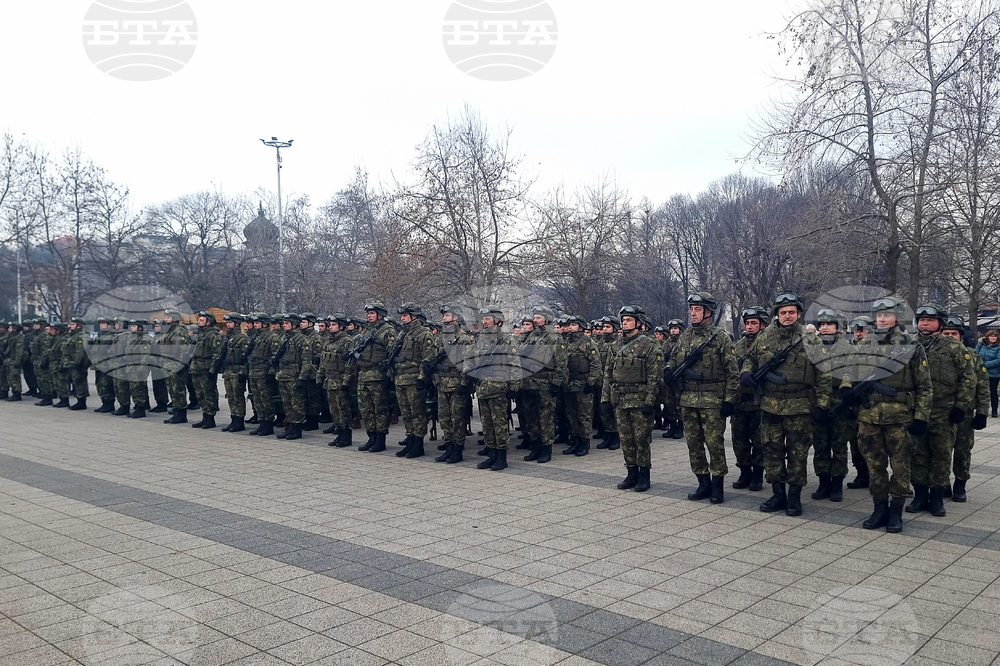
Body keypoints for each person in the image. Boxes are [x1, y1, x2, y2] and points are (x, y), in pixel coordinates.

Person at [841, 297, 931, 533]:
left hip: (900, 418)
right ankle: (879, 508)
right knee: (875, 466)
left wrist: (921, 416)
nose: (881, 319)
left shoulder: (911, 344)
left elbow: (924, 385)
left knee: (901, 467)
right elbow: (850, 370)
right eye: (878, 315)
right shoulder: (864, 343)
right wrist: (847, 387)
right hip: (869, 416)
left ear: (897, 318)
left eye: (887, 315)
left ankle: (896, 511)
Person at [742, 293, 831, 516]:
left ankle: (794, 497)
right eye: (783, 312)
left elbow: (824, 373)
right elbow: (749, 360)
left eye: (791, 312)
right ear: (777, 315)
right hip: (770, 405)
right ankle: (777, 493)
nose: (787, 316)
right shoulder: (764, 337)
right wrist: (746, 374)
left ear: (799, 314)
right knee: (771, 451)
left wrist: (822, 404)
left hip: (799, 405)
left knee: (797, 453)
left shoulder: (810, 339)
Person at [665, 293, 738, 504]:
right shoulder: (684, 336)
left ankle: (717, 486)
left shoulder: (720, 338)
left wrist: (730, 400)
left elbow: (732, 372)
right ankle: (703, 482)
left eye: (698, 309)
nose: (693, 313)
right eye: (692, 309)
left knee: (714, 444)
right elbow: (672, 360)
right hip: (688, 400)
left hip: (712, 401)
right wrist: (668, 371)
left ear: (708, 312)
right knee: (693, 444)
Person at [906, 304, 975, 517]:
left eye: (930, 320)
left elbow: (968, 379)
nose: (925, 323)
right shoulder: (908, 345)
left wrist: (961, 406)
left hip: (943, 410)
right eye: (922, 319)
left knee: (941, 454)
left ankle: (936, 498)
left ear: (940, 323)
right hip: (916, 410)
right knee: (917, 454)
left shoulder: (954, 348)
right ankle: (919, 496)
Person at [602, 305, 663, 492]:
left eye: (628, 319)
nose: (624, 322)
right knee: (626, 439)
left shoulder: (650, 345)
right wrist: (605, 399)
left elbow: (655, 376)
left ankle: (644, 475)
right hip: (621, 399)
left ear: (638, 322)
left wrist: (650, 402)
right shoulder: (615, 345)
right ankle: (631, 473)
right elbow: (608, 374)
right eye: (623, 319)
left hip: (640, 400)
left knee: (641, 439)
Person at [465, 307, 520, 471]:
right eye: (483, 319)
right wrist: (469, 371)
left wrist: (515, 386)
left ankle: (502, 457)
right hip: (482, 387)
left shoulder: (507, 340)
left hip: (499, 387)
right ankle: (492, 454)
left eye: (487, 318)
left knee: (499, 423)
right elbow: (468, 357)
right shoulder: (479, 339)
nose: (484, 321)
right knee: (487, 424)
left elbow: (515, 364)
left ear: (497, 321)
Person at [943, 315, 988, 502]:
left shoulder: (972, 356)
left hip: (965, 413)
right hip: (941, 411)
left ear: (961, 336)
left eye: (954, 333)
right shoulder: (933, 355)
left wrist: (983, 412)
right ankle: (942, 483)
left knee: (962, 450)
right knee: (941, 451)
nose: (951, 336)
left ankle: (960, 485)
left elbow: (983, 385)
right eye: (946, 333)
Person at [515, 305, 568, 464]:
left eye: (538, 317)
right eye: (535, 317)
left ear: (547, 319)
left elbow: (561, 363)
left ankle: (546, 449)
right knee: (531, 418)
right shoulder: (531, 336)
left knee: (545, 418)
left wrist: (556, 383)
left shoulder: (554, 338)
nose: (535, 320)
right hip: (529, 382)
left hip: (545, 383)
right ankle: (535, 446)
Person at [812, 308, 853, 502]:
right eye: (822, 325)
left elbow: (851, 372)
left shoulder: (847, 347)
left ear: (837, 327)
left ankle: (837, 483)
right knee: (820, 444)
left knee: (838, 445)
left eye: (830, 324)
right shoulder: (813, 345)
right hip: (818, 402)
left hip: (839, 402)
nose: (826, 328)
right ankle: (823, 481)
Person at [428, 305, 474, 463]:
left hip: (456, 384)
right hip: (442, 383)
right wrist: (434, 376)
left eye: (446, 315)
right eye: (443, 316)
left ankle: (458, 449)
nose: (443, 318)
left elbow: (468, 363)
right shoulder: (439, 337)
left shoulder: (463, 338)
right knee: (444, 418)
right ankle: (448, 447)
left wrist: (464, 384)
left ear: (455, 317)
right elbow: (433, 358)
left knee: (457, 419)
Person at [390, 304, 436, 459]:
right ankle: (410, 440)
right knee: (406, 413)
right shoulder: (402, 333)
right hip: (400, 379)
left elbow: (427, 358)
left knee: (417, 413)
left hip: (414, 379)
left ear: (414, 316)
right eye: (401, 316)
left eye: (405, 315)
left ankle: (418, 444)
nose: (402, 318)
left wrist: (422, 378)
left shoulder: (424, 334)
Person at [353, 302, 397, 452]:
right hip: (364, 374)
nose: (369, 316)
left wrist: (388, 376)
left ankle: (380, 439)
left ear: (380, 314)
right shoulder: (366, 331)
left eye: (372, 313)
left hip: (378, 375)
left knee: (380, 409)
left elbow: (392, 354)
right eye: (368, 313)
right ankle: (371, 437)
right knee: (366, 408)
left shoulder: (388, 331)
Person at [732, 307, 767, 491]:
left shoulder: (767, 346)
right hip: (740, 401)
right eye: (748, 323)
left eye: (754, 323)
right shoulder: (737, 346)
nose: (750, 326)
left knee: (759, 440)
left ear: (763, 324)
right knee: (739, 439)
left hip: (760, 401)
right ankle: (744, 471)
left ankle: (757, 475)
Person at [561, 315, 603, 457]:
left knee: (584, 415)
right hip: (570, 383)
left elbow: (595, 364)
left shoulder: (588, 342)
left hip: (583, 383)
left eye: (573, 324)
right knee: (571, 414)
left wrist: (591, 382)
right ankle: (575, 441)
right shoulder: (566, 342)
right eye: (570, 325)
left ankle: (584, 443)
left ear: (580, 326)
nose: (571, 327)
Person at [318, 314, 356, 447]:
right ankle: (339, 433)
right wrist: (320, 376)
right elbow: (323, 362)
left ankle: (346, 436)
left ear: (341, 326)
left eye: (334, 325)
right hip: (330, 380)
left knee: (343, 410)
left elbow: (350, 364)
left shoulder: (347, 342)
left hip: (340, 381)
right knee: (334, 410)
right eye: (330, 325)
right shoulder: (328, 341)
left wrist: (346, 382)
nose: (331, 327)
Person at [273, 313, 312, 440]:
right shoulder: (285, 339)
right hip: (283, 375)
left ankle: (297, 428)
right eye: (283, 323)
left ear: (294, 325)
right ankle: (289, 426)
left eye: (286, 323)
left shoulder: (302, 340)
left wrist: (302, 378)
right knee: (287, 403)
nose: (284, 325)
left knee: (297, 404)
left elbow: (307, 362)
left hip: (294, 376)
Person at [189, 310, 223, 430]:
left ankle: (210, 418)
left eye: (202, 320)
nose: (199, 322)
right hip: (197, 368)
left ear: (209, 322)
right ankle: (204, 416)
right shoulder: (201, 334)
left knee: (209, 394)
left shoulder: (213, 335)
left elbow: (216, 354)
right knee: (200, 394)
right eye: (199, 320)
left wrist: (213, 370)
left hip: (206, 368)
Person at [161, 309, 194, 425]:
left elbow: (184, 351)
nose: (166, 319)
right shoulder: (169, 331)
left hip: (176, 364)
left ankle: (181, 414)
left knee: (178, 390)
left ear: (174, 319)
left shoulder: (179, 331)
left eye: (168, 317)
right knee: (172, 389)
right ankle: (176, 412)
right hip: (168, 364)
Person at [220, 313, 250, 432]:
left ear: (237, 323)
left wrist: (243, 373)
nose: (228, 325)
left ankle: (239, 421)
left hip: (237, 371)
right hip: (228, 371)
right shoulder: (228, 338)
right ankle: (234, 419)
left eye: (230, 322)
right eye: (227, 323)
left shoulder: (243, 339)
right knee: (230, 397)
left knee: (238, 397)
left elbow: (246, 359)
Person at [64, 317, 90, 411]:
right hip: (73, 363)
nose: (70, 326)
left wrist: (77, 363)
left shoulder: (80, 337)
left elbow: (80, 351)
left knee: (80, 383)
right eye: (70, 324)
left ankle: (82, 402)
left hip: (79, 364)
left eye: (73, 324)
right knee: (76, 382)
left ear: (79, 326)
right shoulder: (73, 336)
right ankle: (79, 400)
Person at [976, 329, 1000, 418]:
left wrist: (985, 365)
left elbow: (998, 360)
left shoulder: (998, 347)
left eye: (995, 336)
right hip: (981, 372)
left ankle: (994, 410)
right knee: (980, 391)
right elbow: (975, 354)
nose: (993, 338)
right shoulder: (981, 345)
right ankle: (980, 409)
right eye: (991, 336)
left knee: (993, 392)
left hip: (994, 373)